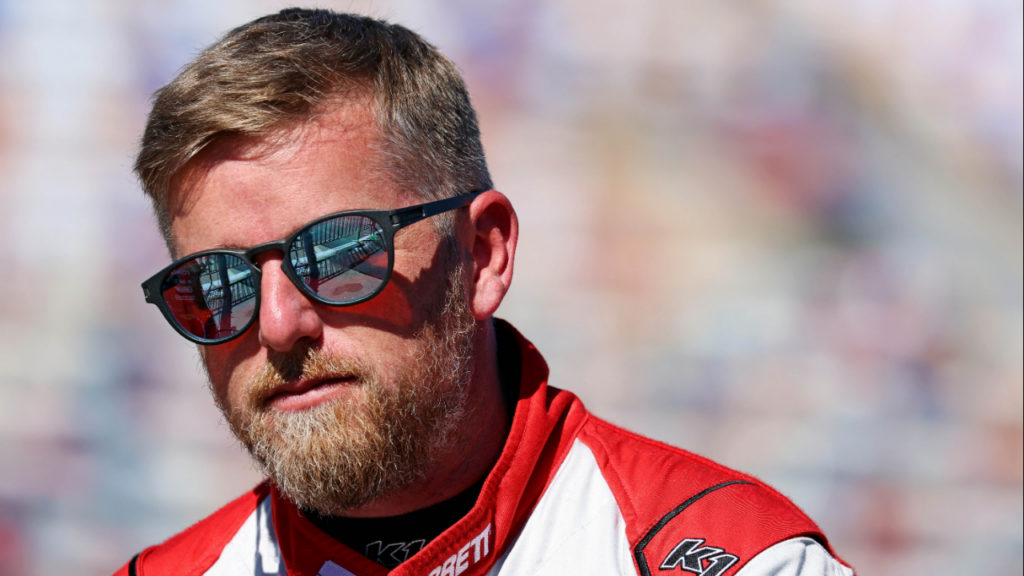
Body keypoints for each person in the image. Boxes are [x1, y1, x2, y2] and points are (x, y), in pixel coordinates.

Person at [116, 8, 854, 576]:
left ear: (482, 255)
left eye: (337, 251)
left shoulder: (737, 557)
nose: (278, 324)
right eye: (214, 282)